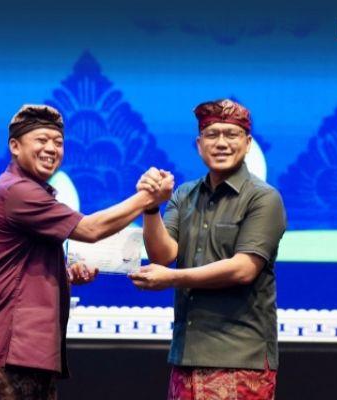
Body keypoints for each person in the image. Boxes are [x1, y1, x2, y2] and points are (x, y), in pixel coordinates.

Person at [0, 104, 173, 400]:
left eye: (58, 142)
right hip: (5, 352)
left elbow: (15, 270)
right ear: (15, 146)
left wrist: (63, 276)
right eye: (41, 140)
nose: (51, 149)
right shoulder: (17, 191)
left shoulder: (27, 190)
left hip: (26, 353)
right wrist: (148, 198)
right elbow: (91, 229)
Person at [129, 99, 286, 399]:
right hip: (186, 355)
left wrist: (171, 278)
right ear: (199, 145)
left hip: (239, 357)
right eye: (212, 135)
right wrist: (150, 207)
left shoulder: (264, 198)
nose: (221, 143)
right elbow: (163, 255)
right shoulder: (184, 195)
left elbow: (243, 269)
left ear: (248, 143)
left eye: (231, 134)